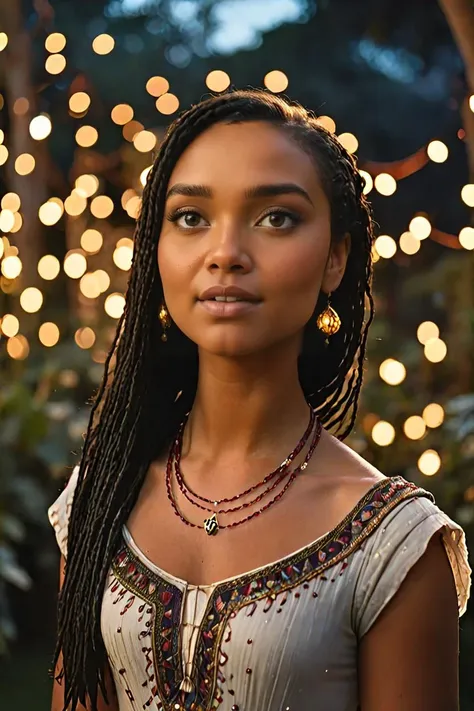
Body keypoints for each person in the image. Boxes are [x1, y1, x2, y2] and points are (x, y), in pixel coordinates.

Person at [48, 89, 470, 711]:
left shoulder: (395, 547)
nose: (225, 254)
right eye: (191, 217)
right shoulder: (100, 496)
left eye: (276, 218)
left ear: (335, 257)